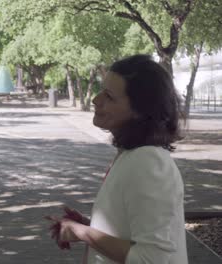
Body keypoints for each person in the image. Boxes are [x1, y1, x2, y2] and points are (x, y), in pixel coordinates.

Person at [47, 55, 188, 263]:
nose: (96, 99)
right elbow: (133, 235)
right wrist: (91, 225)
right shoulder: (133, 155)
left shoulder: (148, 162)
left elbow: (153, 258)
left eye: (109, 96)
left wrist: (82, 232)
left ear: (140, 112)